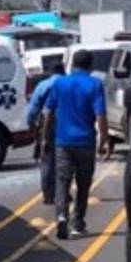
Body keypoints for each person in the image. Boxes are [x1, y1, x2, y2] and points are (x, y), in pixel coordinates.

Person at [41, 50, 111, 240]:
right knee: (83, 183)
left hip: (63, 141)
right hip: (85, 141)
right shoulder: (94, 84)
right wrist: (104, 139)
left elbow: (48, 112)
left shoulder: (60, 83)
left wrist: (46, 137)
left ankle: (61, 216)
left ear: (72, 64)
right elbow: (100, 115)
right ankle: (77, 222)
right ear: (90, 66)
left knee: (62, 180)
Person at [26, 64, 67, 205]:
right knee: (65, 160)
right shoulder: (68, 84)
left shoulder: (43, 85)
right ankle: (63, 193)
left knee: (47, 160)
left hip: (47, 125)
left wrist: (31, 125)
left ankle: (48, 194)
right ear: (64, 71)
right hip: (67, 124)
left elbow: (33, 108)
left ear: (51, 72)